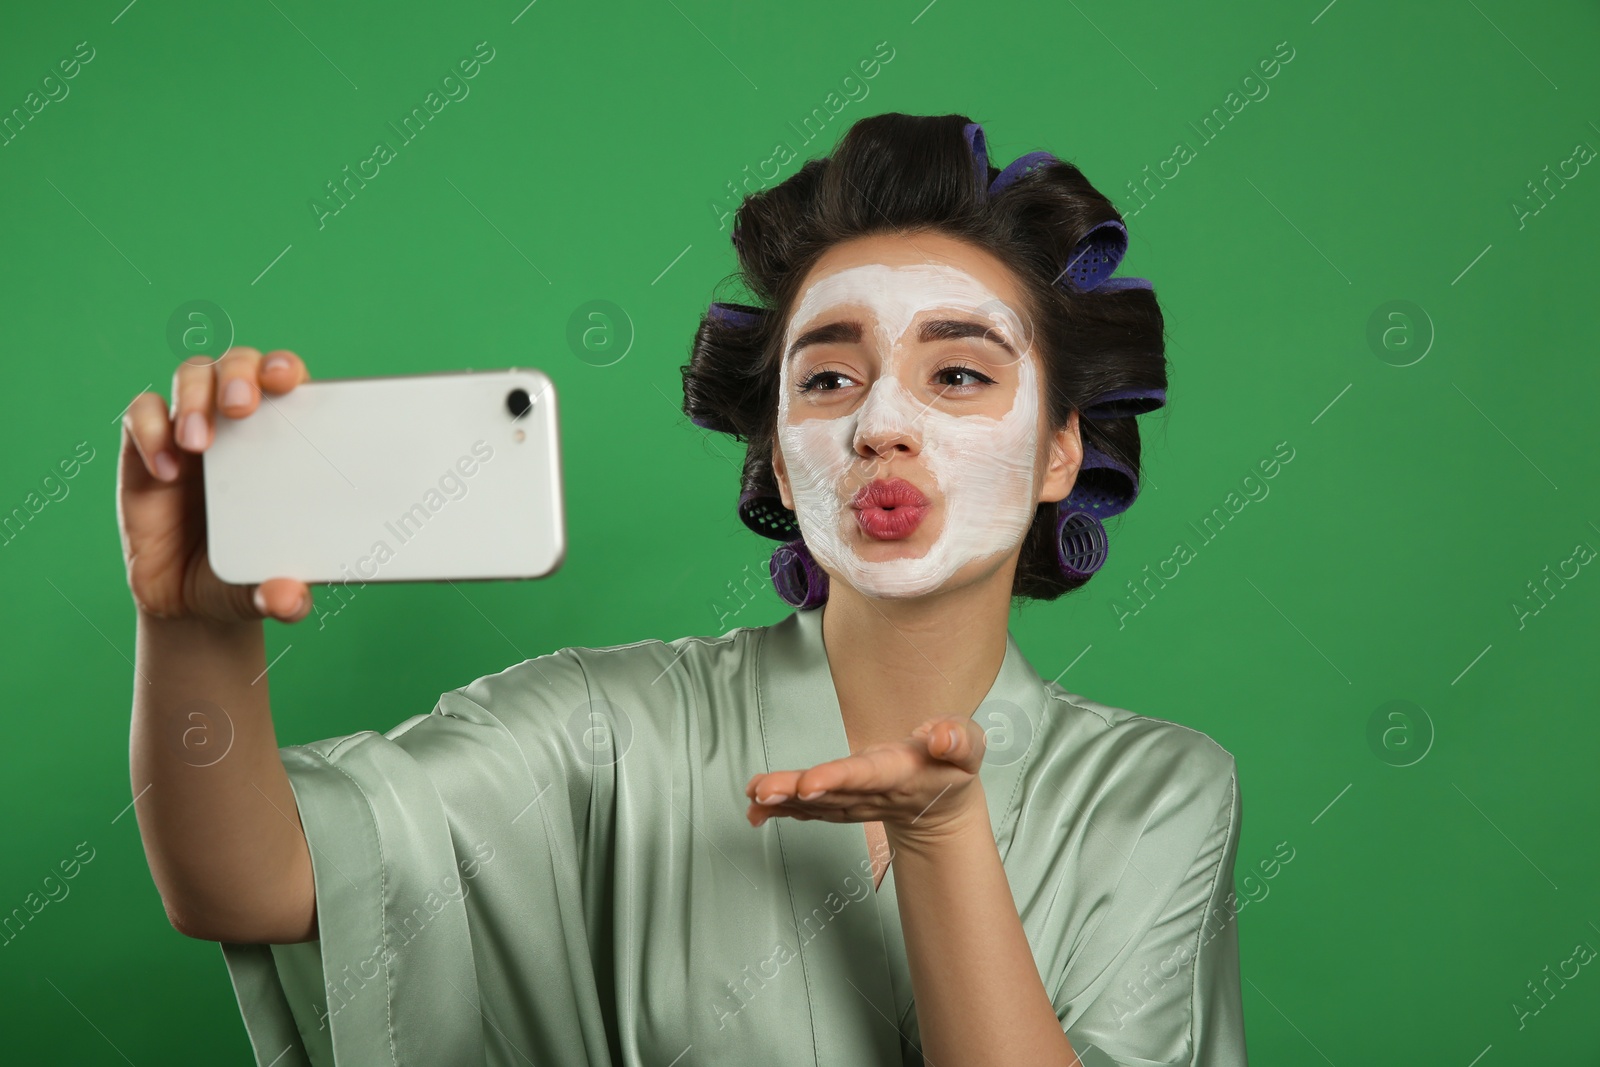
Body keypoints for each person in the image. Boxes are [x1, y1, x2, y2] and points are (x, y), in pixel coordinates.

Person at [120, 112, 1247, 1066]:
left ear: (1061, 450)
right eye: (828, 377)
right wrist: (188, 630)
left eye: (957, 373)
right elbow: (251, 884)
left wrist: (942, 832)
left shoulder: (1157, 791)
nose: (879, 424)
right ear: (774, 448)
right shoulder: (605, 730)